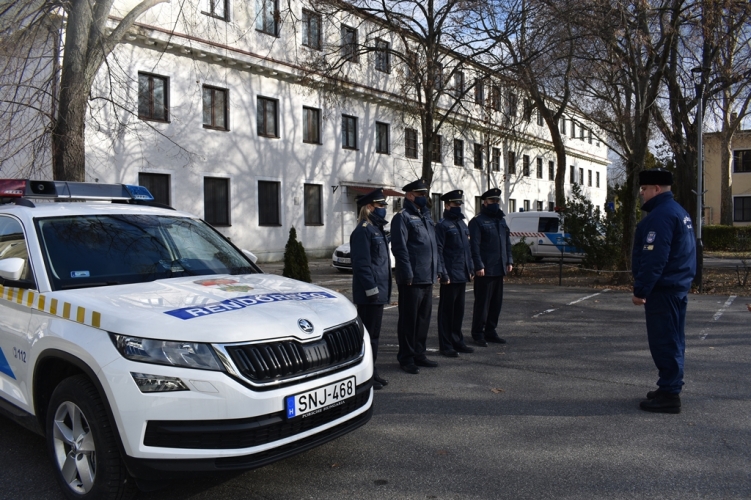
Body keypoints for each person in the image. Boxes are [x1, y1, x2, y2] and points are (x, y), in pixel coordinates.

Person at [632, 168, 696, 414]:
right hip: (676, 286)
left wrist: (641, 290)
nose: (642, 193)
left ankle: (669, 394)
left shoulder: (660, 217)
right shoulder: (678, 212)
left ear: (656, 188)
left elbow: (654, 258)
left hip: (664, 289)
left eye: (644, 189)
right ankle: (668, 386)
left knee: (664, 341)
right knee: (673, 339)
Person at [391, 179, 440, 374]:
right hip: (412, 278)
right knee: (408, 320)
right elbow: (399, 248)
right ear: (410, 195)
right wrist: (407, 273)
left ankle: (419, 353)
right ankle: (406, 357)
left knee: (423, 319)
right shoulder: (402, 217)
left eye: (424, 194)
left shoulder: (426, 216)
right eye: (420, 194)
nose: (424, 198)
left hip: (427, 276)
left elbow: (433, 246)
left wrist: (437, 270)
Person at [350, 188, 392, 390]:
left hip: (379, 291)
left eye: (384, 205)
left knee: (374, 336)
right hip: (370, 293)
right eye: (380, 205)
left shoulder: (376, 229)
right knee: (367, 337)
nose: (383, 208)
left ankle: (373, 372)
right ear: (369, 207)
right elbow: (362, 264)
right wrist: (371, 289)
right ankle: (365, 375)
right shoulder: (363, 230)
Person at [468, 188, 513, 347]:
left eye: (497, 201)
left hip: (499, 268)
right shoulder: (477, 221)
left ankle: (491, 331)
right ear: (485, 202)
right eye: (492, 201)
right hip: (485, 270)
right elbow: (474, 246)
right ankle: (478, 333)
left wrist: (509, 260)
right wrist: (478, 265)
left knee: (496, 303)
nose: (495, 203)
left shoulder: (501, 220)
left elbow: (506, 243)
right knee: (482, 304)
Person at [435, 190, 475, 357]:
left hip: (462, 274)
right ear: (447, 205)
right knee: (447, 312)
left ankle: (457, 340)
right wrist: (443, 273)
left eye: (459, 204)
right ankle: (446, 345)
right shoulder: (442, 225)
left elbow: (467, 249)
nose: (458, 206)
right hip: (450, 275)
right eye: (455, 204)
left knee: (458, 311)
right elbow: (439, 250)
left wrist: (470, 268)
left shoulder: (462, 224)